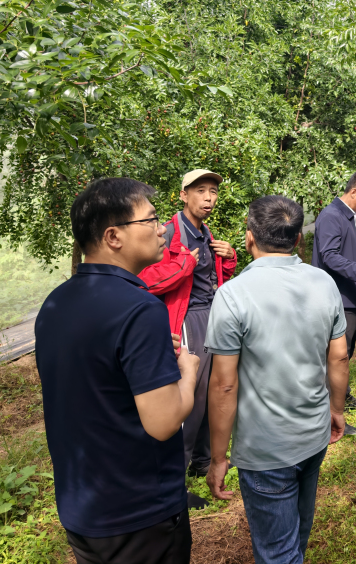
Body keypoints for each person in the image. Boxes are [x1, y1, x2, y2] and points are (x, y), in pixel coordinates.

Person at [36, 178, 199, 564]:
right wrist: (188, 371)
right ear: (113, 236)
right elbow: (163, 422)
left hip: (83, 509)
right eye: (151, 219)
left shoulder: (56, 302)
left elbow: (96, 377)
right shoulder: (140, 309)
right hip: (140, 514)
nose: (162, 229)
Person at [204, 195, 350, 564]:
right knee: (297, 533)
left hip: (265, 448)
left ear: (249, 237)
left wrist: (218, 457)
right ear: (298, 239)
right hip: (313, 434)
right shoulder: (323, 282)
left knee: (278, 552)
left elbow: (224, 384)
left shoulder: (232, 295)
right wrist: (336, 410)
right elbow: (339, 356)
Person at [139, 169, 237, 502]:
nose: (208, 198)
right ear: (183, 195)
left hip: (212, 316)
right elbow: (144, 280)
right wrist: (182, 267)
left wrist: (229, 258)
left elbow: (212, 280)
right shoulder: (168, 233)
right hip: (185, 320)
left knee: (212, 392)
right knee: (188, 398)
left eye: (213, 191)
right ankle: (172, 481)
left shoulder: (205, 233)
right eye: (200, 191)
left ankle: (203, 461)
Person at [311, 170, 356, 427]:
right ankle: (329, 415)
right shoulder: (332, 216)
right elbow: (329, 255)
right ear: (353, 191)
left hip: (349, 295)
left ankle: (342, 396)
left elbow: (351, 252)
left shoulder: (348, 216)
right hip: (337, 297)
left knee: (344, 353)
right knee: (336, 356)